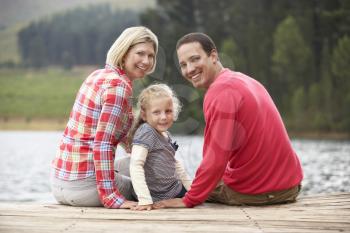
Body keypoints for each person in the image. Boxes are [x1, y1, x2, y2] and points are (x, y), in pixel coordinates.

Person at [154, 32, 303, 209]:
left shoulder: (219, 92)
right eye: (183, 65)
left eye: (195, 59)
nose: (189, 69)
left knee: (183, 189)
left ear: (214, 56)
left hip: (261, 192)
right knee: (204, 182)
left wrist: (189, 200)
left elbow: (215, 160)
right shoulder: (244, 80)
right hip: (291, 186)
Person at [51, 26, 158, 209]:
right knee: (155, 188)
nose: (146, 61)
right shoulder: (119, 87)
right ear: (124, 53)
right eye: (140, 53)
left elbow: (114, 133)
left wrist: (142, 149)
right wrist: (111, 198)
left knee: (146, 162)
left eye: (151, 56)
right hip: (84, 187)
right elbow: (103, 144)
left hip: (60, 184)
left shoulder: (97, 75)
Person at [128, 84, 192, 211]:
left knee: (202, 194)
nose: (163, 117)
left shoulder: (165, 134)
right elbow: (136, 165)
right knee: (204, 195)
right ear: (144, 115)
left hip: (171, 190)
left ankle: (178, 198)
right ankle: (172, 201)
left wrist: (191, 188)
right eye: (156, 112)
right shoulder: (146, 131)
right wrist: (144, 199)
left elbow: (174, 163)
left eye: (168, 111)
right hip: (154, 195)